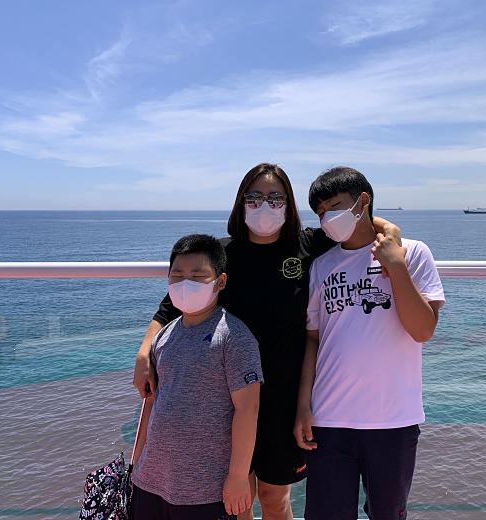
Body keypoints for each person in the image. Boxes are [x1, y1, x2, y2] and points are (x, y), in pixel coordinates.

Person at [133, 163, 400, 520]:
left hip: (284, 400)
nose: (264, 205)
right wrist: (144, 352)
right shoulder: (223, 253)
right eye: (254, 197)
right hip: (227, 401)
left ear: (289, 205)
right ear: (240, 202)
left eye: (276, 198)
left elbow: (360, 225)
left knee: (274, 499)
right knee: (237, 501)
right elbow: (171, 304)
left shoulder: (307, 245)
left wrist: (390, 230)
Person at [293, 166, 445, 520]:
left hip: (393, 419)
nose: (328, 218)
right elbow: (313, 339)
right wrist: (303, 405)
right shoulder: (322, 266)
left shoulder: (413, 252)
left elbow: (423, 330)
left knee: (388, 514)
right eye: (320, 212)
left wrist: (395, 264)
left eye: (336, 206)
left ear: (363, 201)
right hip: (328, 419)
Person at [131, 234, 263, 520]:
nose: (185, 283)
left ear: (220, 282)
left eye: (197, 276)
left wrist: (238, 477)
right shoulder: (164, 335)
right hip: (150, 482)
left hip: (206, 489)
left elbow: (248, 409)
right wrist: (136, 465)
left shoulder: (234, 337)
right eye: (177, 276)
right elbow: (151, 405)